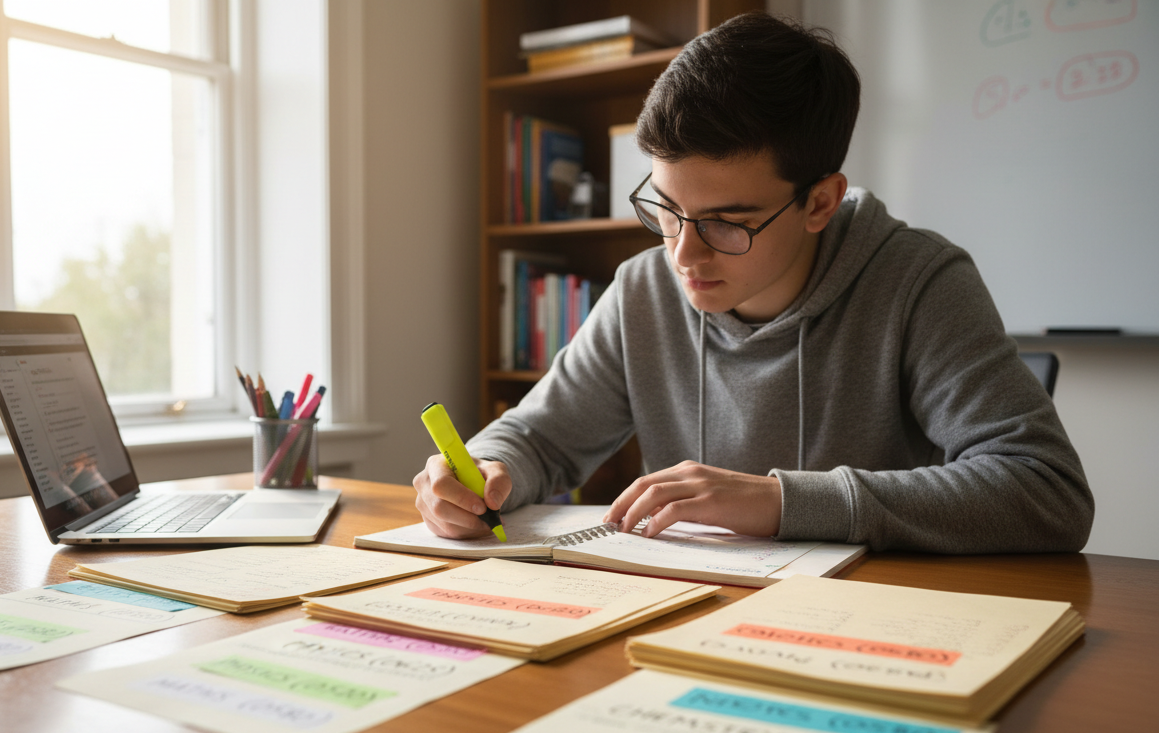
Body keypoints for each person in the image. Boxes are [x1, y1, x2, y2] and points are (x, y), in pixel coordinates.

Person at [413, 12, 1093, 553]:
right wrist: (479, 473)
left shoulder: (917, 281)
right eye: (667, 208)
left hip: (865, 634)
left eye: (726, 222)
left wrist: (782, 502)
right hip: (684, 624)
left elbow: (1046, 492)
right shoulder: (642, 290)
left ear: (821, 203)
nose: (683, 254)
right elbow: (537, 440)